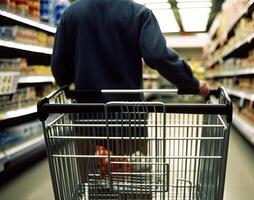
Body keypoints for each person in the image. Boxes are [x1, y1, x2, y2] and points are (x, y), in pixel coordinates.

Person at [51, 0, 210, 198]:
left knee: (98, 188)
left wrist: (71, 80)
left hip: (87, 121)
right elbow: (158, 56)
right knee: (135, 188)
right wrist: (191, 83)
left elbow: (59, 70)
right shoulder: (138, 14)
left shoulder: (71, 14)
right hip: (128, 122)